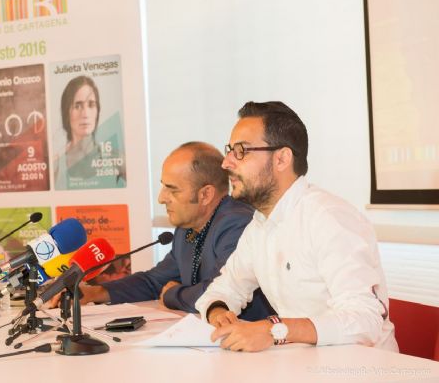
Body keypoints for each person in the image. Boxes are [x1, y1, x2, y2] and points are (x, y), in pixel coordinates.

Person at [196, 101, 398, 352]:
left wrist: (274, 330)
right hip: (300, 362)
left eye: (241, 151)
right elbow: (225, 288)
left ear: (281, 158)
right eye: (230, 150)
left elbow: (365, 321)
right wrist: (219, 313)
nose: (226, 163)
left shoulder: (329, 218)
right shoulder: (259, 225)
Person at [72, 141, 272, 317]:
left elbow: (219, 292)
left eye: (172, 190)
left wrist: (172, 295)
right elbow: (154, 281)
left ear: (205, 195)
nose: (161, 198)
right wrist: (95, 292)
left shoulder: (237, 223)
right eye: (163, 186)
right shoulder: (188, 228)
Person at [53, 76, 125, 189]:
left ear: (97, 111)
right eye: (77, 106)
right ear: (66, 112)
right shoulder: (56, 164)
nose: (85, 114)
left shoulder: (116, 159)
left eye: (91, 105)